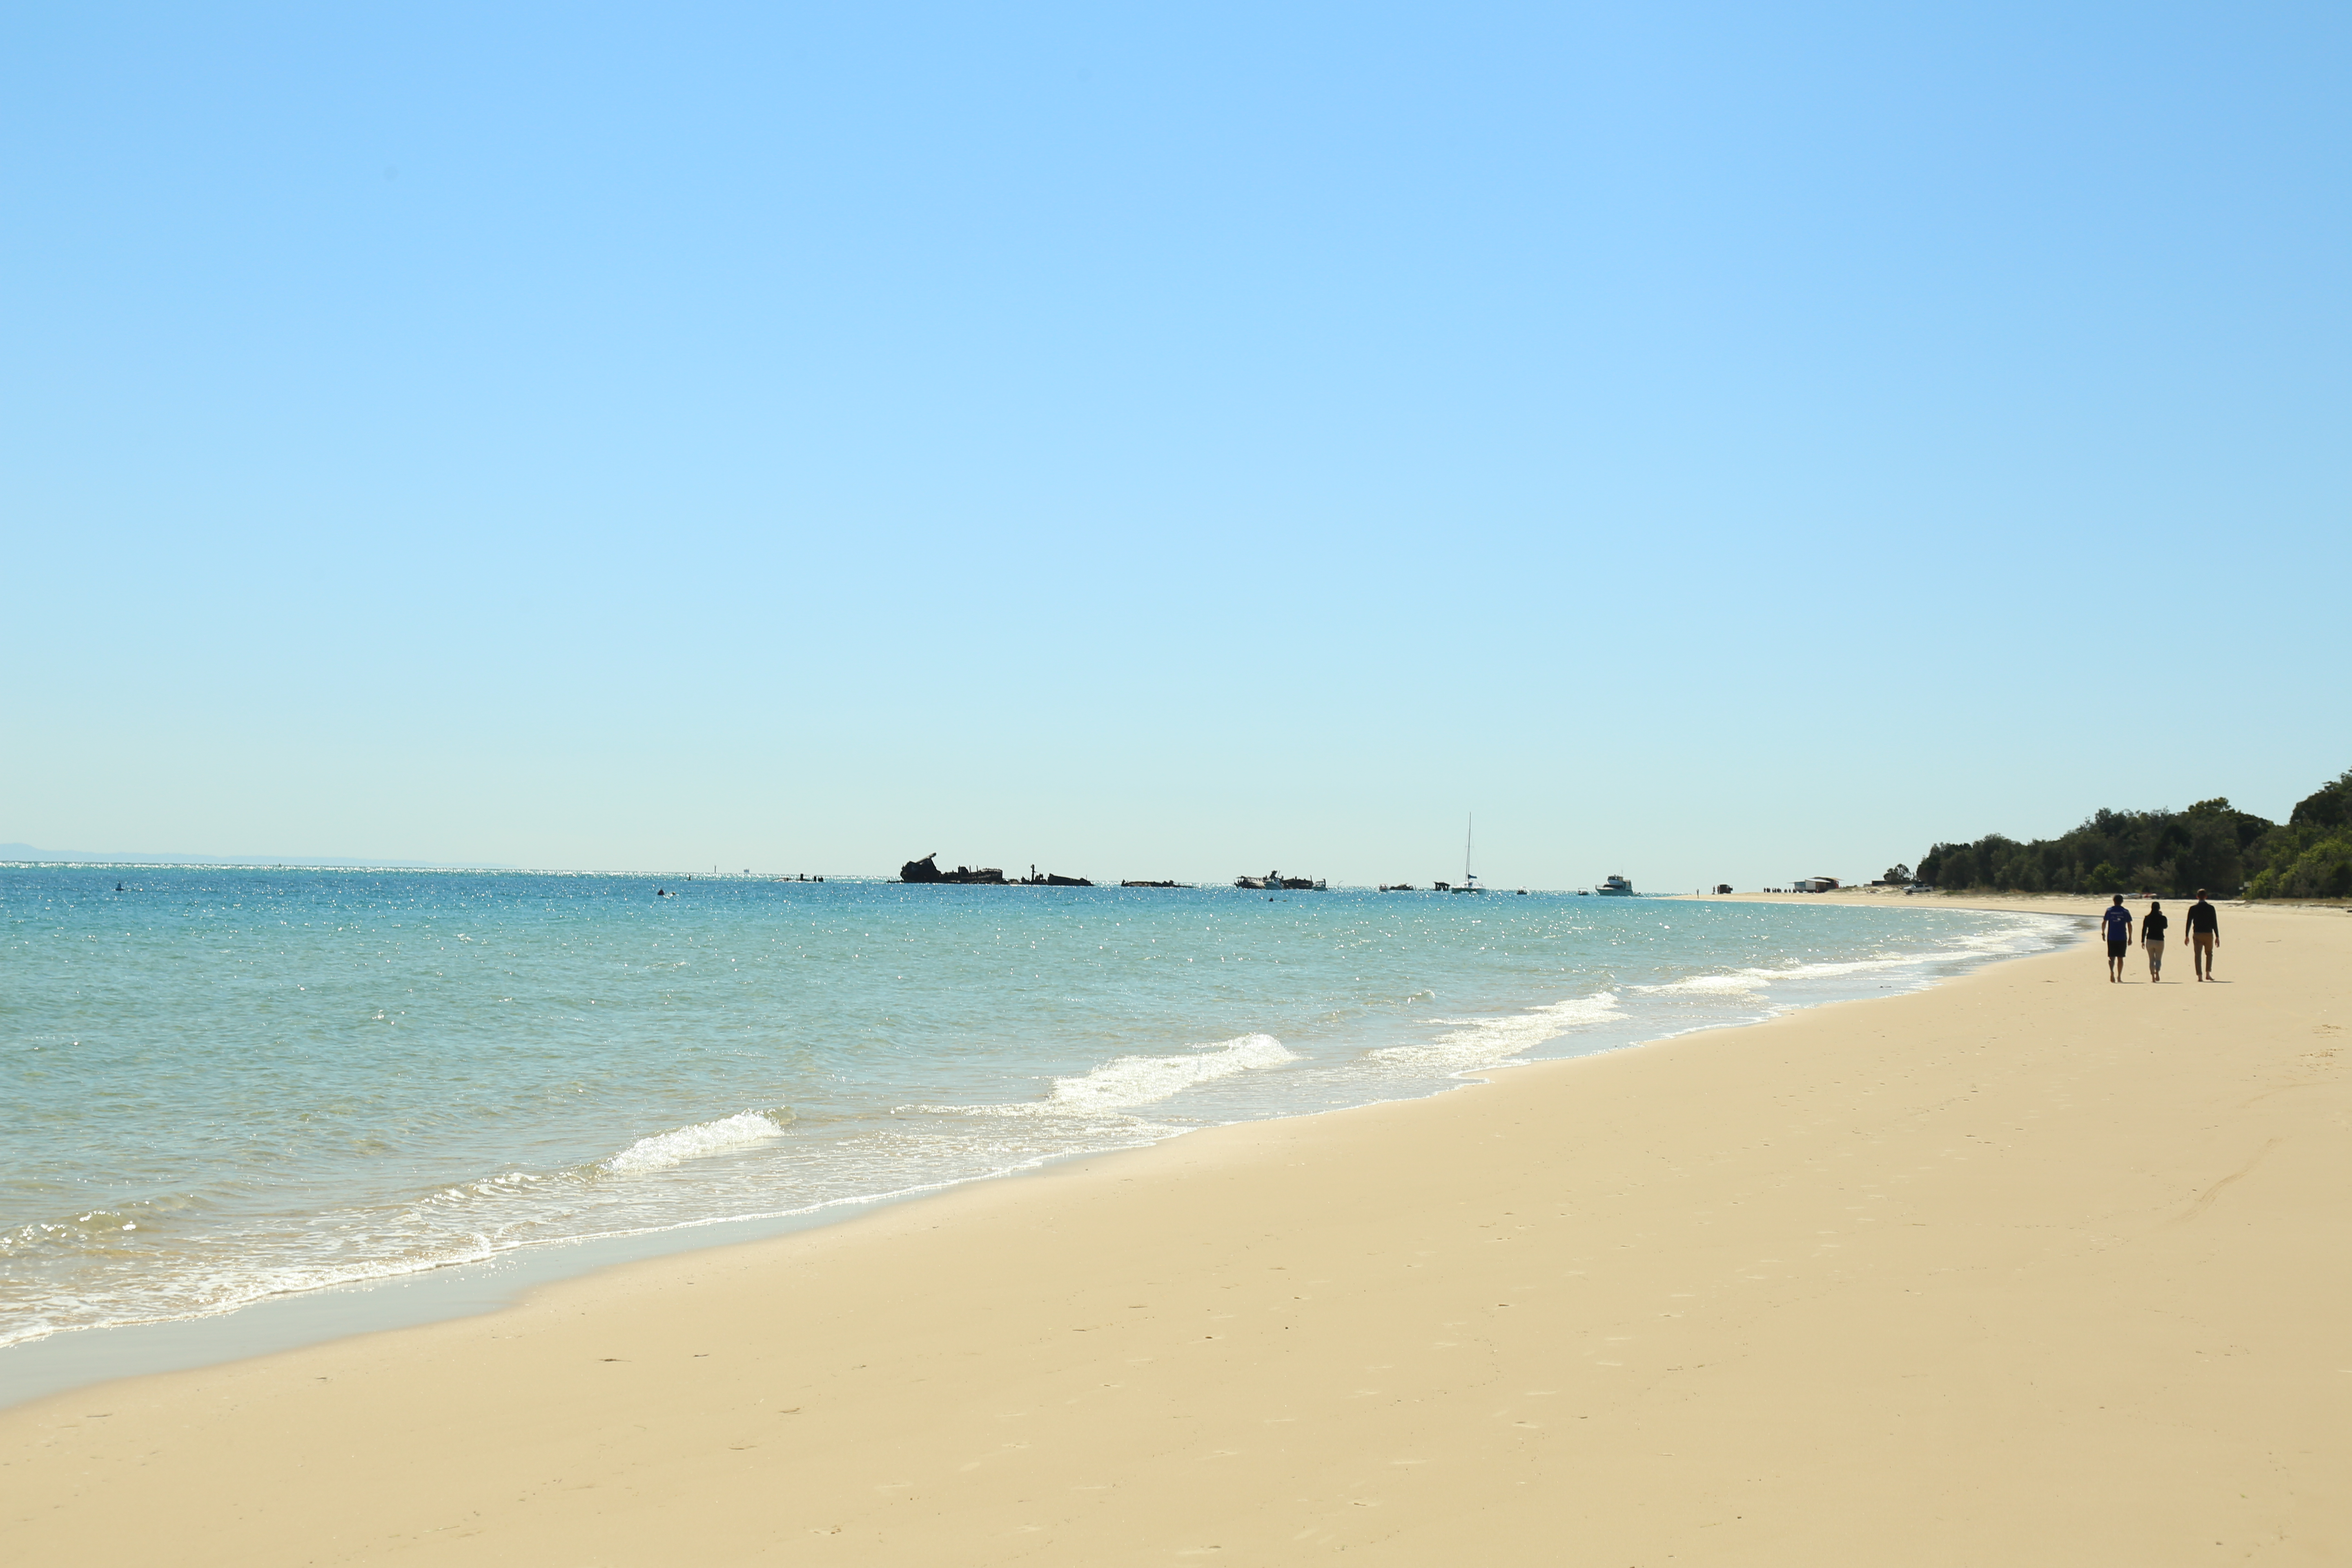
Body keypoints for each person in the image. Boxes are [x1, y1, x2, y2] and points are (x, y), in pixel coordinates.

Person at [2186, 889, 2221, 980]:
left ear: (2197, 897)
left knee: (2198, 955)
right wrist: (2217, 936)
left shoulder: (2193, 909)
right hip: (2209, 934)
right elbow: (2215, 923)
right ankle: (2208, 974)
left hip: (2197, 933)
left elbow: (2189, 922)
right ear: (2206, 897)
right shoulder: (2211, 908)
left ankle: (2200, 976)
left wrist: (2187, 936)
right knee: (2209, 954)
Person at [2101, 894, 2134, 982]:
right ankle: (2119, 976)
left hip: (2111, 937)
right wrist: (2131, 937)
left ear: (2114, 901)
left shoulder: (2110, 911)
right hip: (2122, 937)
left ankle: (2112, 972)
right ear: (2122, 902)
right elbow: (2130, 925)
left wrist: (2103, 933)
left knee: (2112, 957)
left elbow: (2104, 922)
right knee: (2121, 958)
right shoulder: (2125, 912)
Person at [2142, 899, 2169, 982]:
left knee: (2151, 959)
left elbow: (2144, 929)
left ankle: (2153, 977)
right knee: (2158, 959)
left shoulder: (2147, 918)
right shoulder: (2163, 918)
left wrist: (2142, 941)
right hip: (2160, 940)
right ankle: (2157, 971)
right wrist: (2162, 916)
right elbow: (2165, 927)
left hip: (2150, 939)